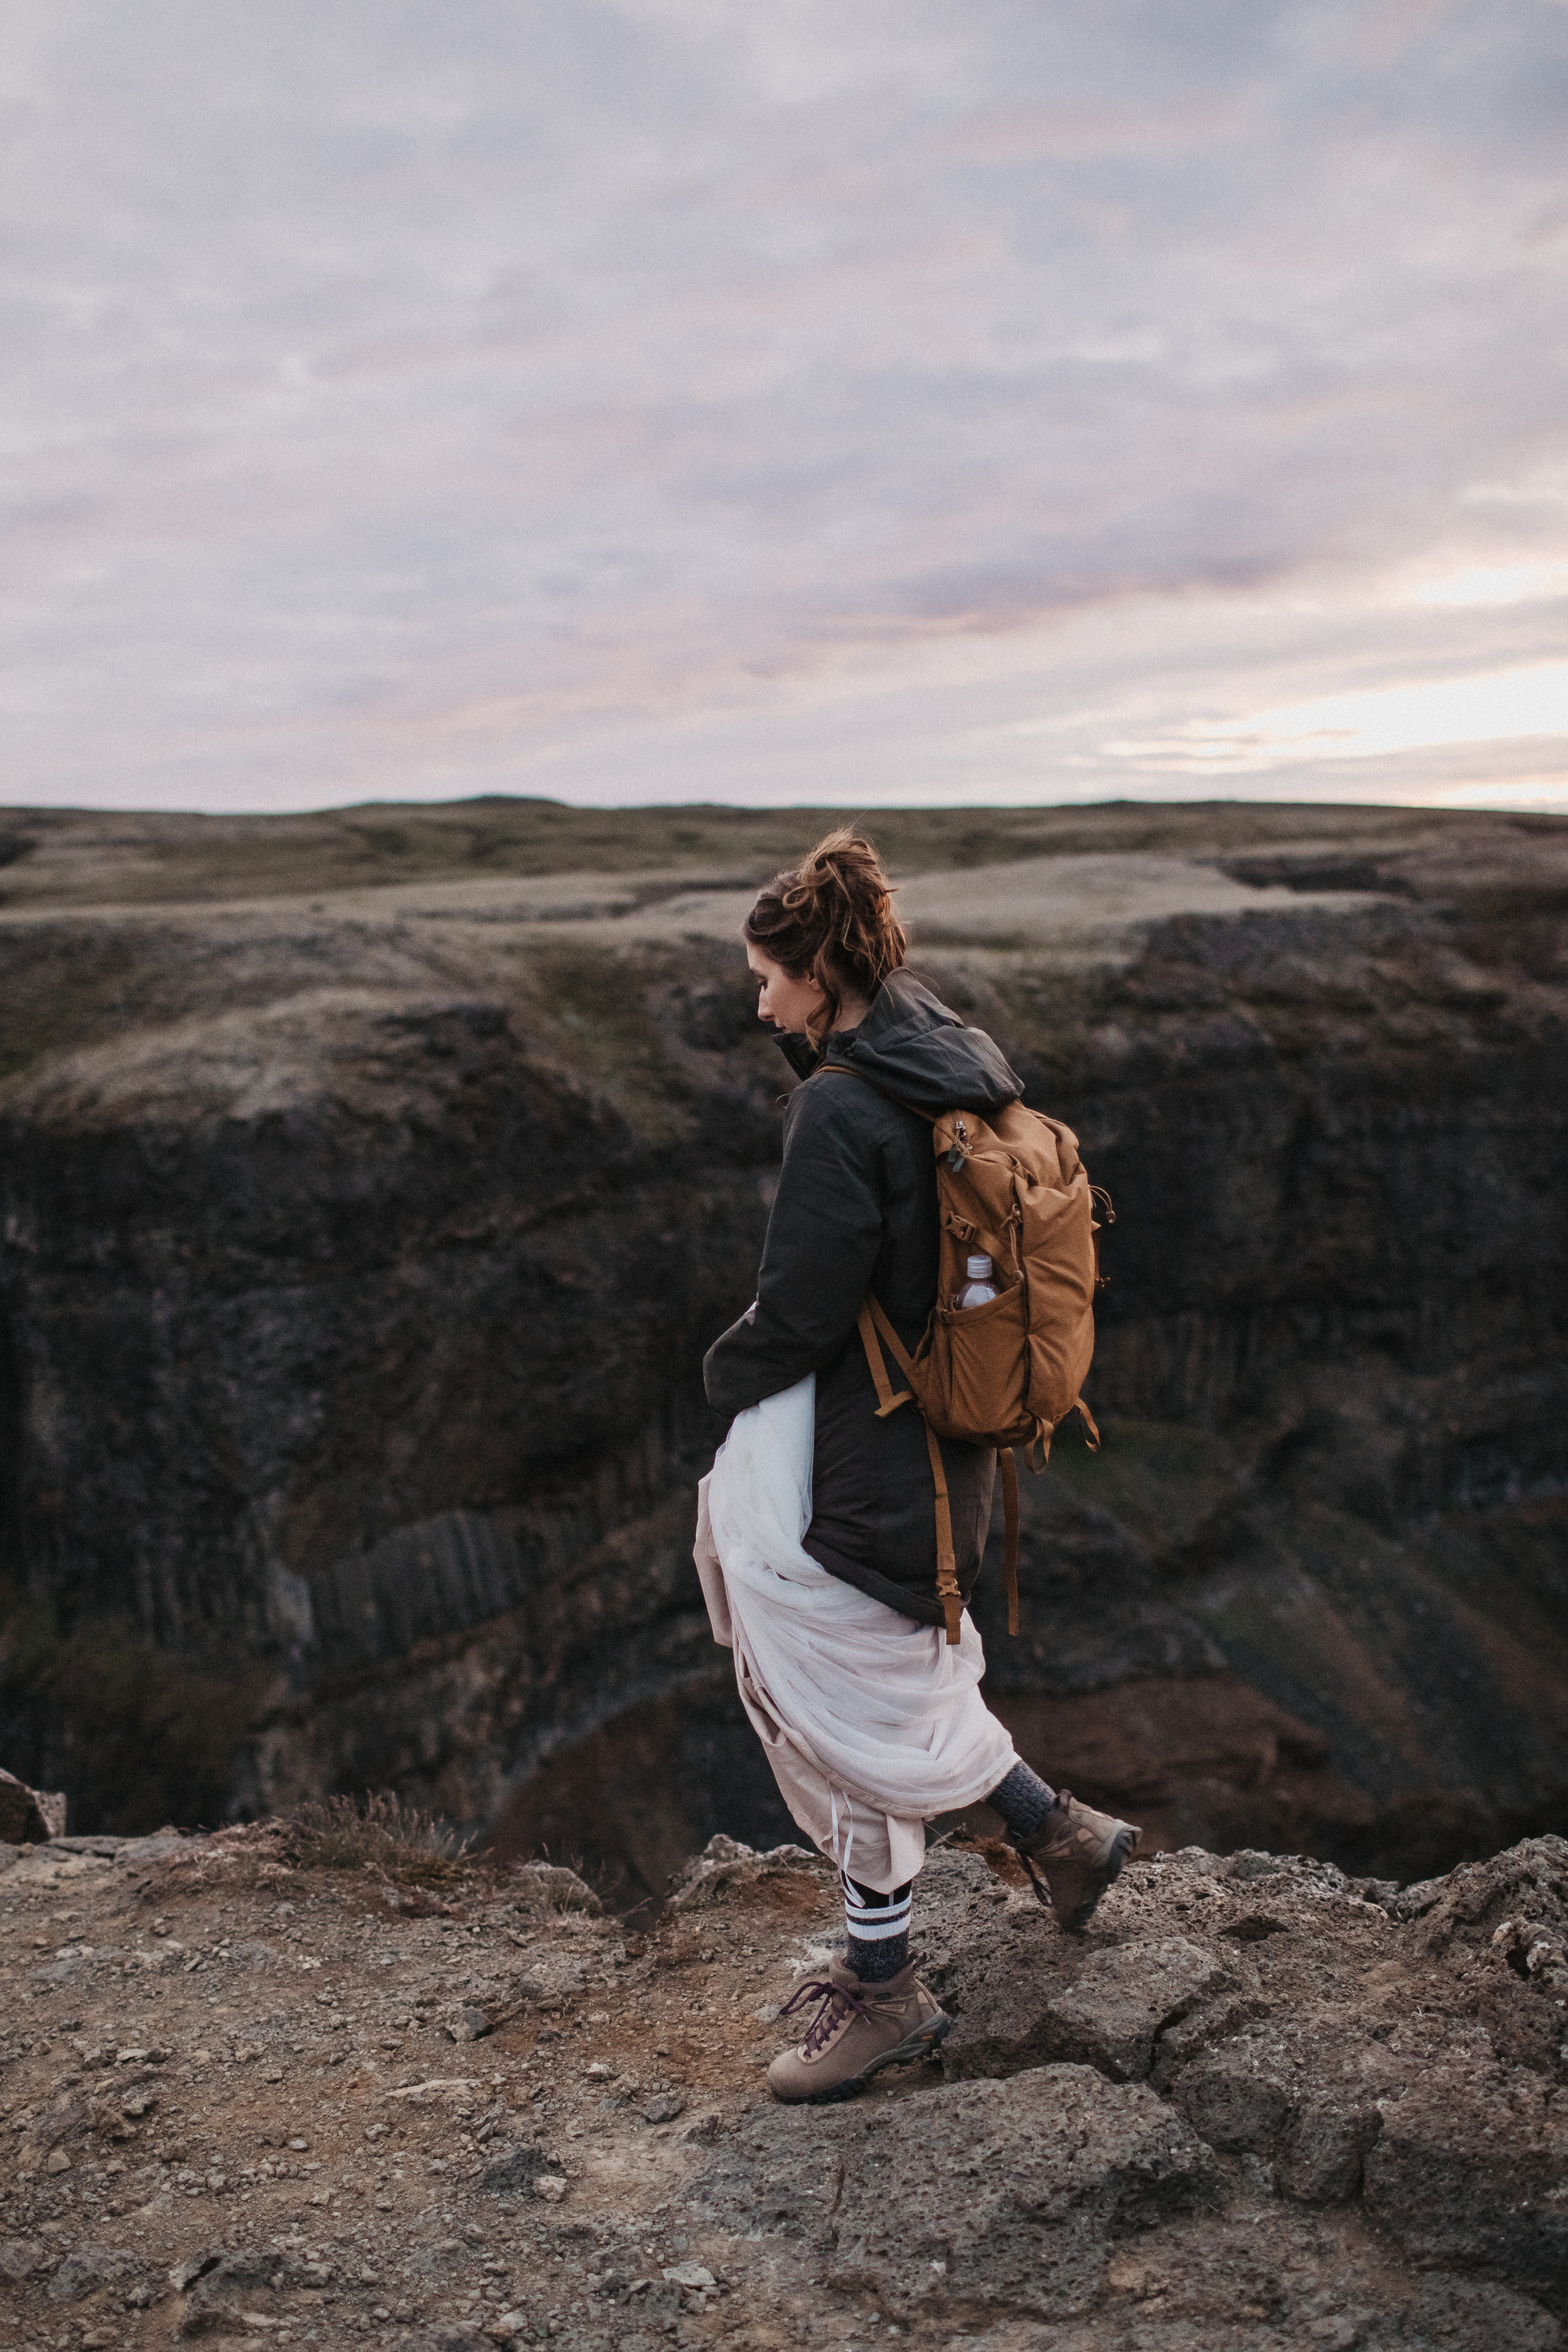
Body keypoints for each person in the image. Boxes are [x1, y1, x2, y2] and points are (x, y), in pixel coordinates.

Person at [697, 828, 1139, 2105]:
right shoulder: (947, 1055)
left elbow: (800, 1306)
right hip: (945, 1442)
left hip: (864, 1458)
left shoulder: (841, 1105)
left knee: (846, 1704)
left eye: (767, 981)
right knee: (900, 1683)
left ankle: (884, 1989)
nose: (759, 1006)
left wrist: (716, 1378)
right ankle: (1061, 1836)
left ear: (818, 975)